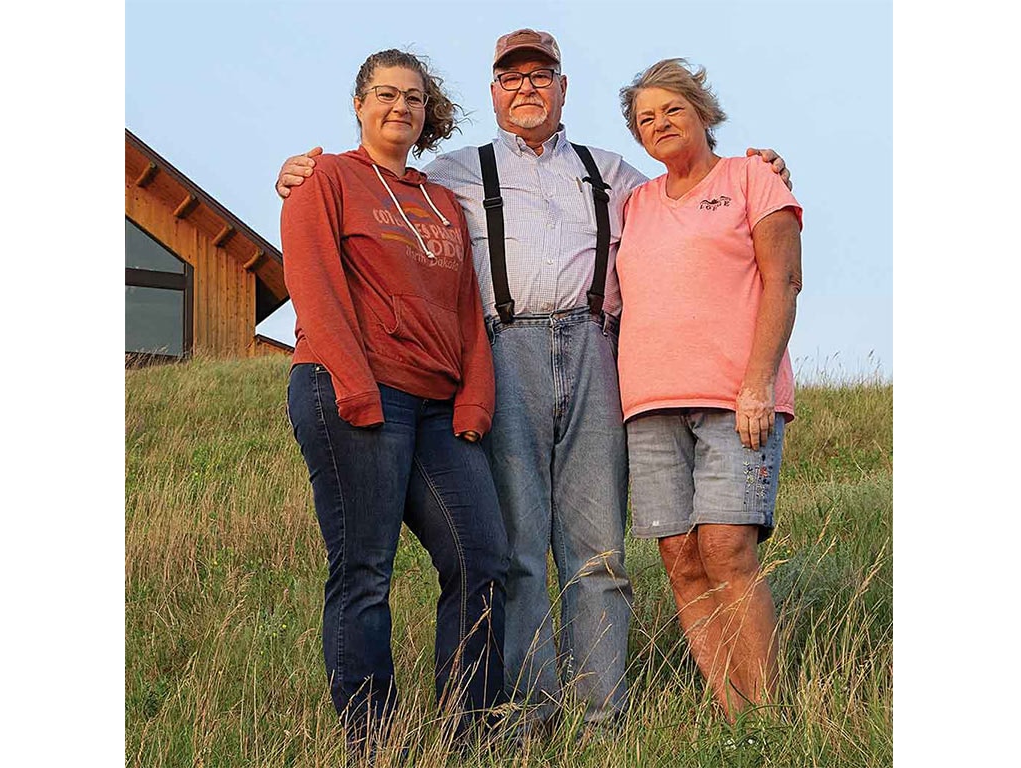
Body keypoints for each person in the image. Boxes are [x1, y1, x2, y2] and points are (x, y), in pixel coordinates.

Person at [276, 30, 791, 736]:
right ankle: (532, 713)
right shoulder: (454, 173)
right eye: (511, 78)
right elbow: (364, 198)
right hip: (503, 351)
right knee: (514, 549)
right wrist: (299, 168)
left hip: (596, 352)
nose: (526, 89)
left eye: (540, 77)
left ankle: (599, 716)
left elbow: (690, 188)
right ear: (492, 92)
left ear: (562, 88)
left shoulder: (615, 174)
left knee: (598, 549)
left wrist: (756, 165)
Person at [280, 48, 508, 758]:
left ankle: (469, 733)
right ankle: (375, 745)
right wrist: (354, 387)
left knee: (483, 560)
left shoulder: (440, 200)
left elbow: (468, 308)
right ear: (358, 103)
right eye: (385, 94)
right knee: (365, 570)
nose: (400, 107)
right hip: (354, 392)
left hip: (440, 407)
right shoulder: (326, 178)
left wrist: (474, 403)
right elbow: (313, 285)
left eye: (413, 97)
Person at [615, 57, 802, 720]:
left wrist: (757, 384)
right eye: (645, 118)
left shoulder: (752, 177)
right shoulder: (635, 203)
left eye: (672, 109)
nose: (659, 123)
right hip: (648, 405)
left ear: (704, 113)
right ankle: (733, 718)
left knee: (726, 547)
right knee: (681, 558)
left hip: (734, 397)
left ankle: (764, 719)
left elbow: (782, 281)